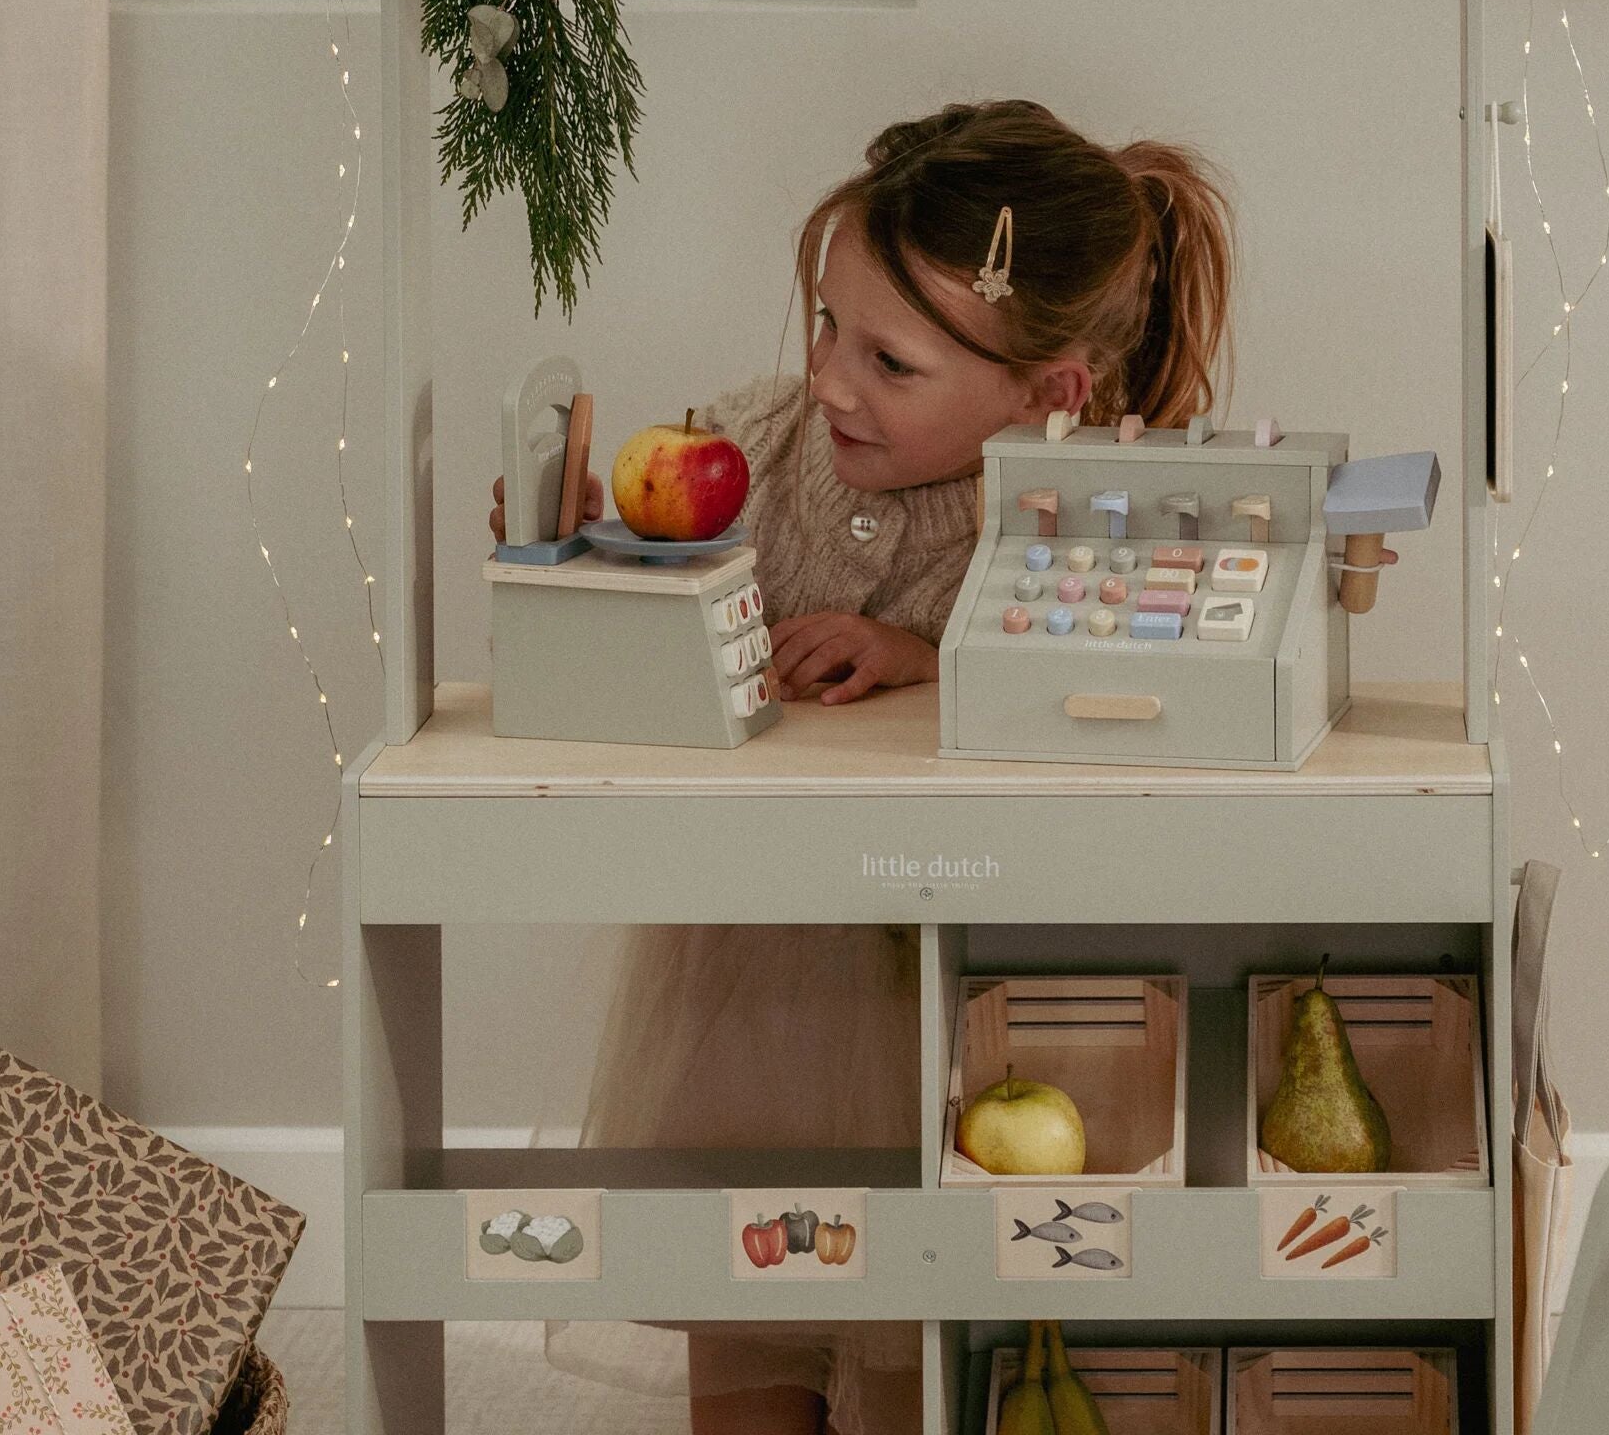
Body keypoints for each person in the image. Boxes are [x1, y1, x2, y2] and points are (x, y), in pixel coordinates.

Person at [489, 98, 1237, 1433]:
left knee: (917, 1337)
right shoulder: (757, 442)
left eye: (890, 363)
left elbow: (1116, 681)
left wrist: (923, 652)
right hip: (760, 980)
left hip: (945, 985)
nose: (832, 376)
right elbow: (666, 588)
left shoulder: (1080, 508)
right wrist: (594, 544)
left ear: (1050, 395)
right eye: (829, 326)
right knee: (748, 1295)